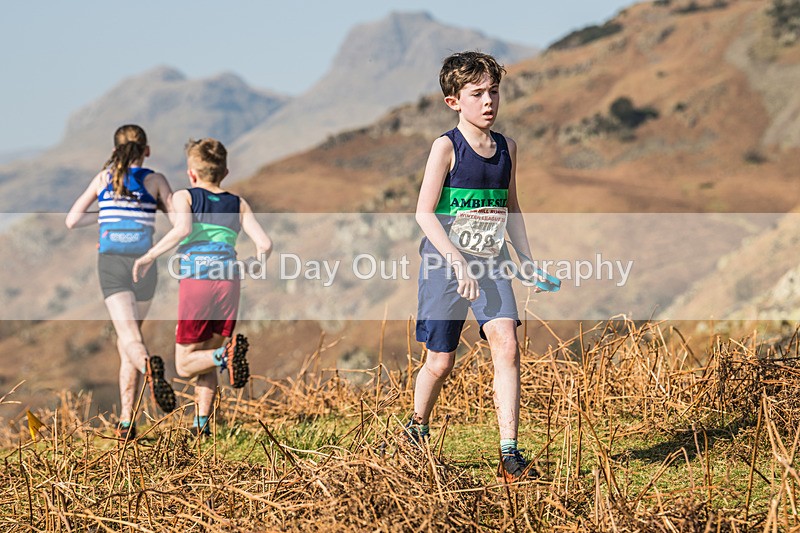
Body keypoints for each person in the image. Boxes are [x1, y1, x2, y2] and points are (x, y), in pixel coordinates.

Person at [410, 51, 539, 483]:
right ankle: (417, 429)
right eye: (477, 93)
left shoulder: (508, 148)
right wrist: (457, 263)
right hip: (444, 266)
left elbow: (512, 209)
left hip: (491, 263)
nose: (488, 101)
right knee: (440, 362)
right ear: (453, 101)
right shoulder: (446, 147)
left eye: (494, 92)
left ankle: (509, 454)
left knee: (507, 345)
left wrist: (527, 262)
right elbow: (424, 214)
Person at [133, 138, 272, 437]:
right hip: (229, 282)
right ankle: (202, 426)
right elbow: (265, 244)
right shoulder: (238, 203)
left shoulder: (185, 196)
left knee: (185, 364)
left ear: (191, 173)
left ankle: (225, 357)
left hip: (198, 282)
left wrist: (149, 256)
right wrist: (254, 264)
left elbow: (182, 229)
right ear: (225, 172)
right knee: (206, 355)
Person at [66, 124, 177, 441]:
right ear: (147, 150)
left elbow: (72, 220)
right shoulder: (156, 180)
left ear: (115, 150)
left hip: (112, 263)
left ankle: (148, 368)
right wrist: (153, 206)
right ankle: (127, 420)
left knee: (129, 338)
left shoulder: (104, 178)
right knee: (129, 338)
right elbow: (178, 222)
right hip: (145, 263)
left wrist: (103, 214)